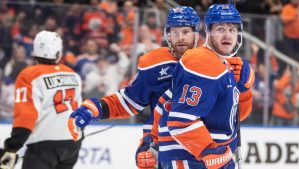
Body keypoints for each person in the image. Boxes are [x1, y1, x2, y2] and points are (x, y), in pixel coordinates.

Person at [68, 6, 201, 168]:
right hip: (165, 152)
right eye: (175, 32)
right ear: (168, 34)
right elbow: (128, 101)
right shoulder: (155, 65)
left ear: (195, 34)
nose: (180, 38)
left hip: (202, 152)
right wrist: (96, 108)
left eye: (185, 32)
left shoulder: (213, 65)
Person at [139, 3, 255, 169]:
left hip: (209, 158)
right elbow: (181, 121)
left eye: (232, 29)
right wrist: (210, 152)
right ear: (207, 32)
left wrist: (244, 90)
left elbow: (235, 117)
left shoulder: (226, 66)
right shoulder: (201, 62)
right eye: (220, 29)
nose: (227, 35)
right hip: (189, 159)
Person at [0, 30, 82, 169]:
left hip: (43, 146)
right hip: (72, 146)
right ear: (58, 52)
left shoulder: (29, 75)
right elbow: (80, 112)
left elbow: (26, 116)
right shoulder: (73, 75)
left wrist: (12, 147)